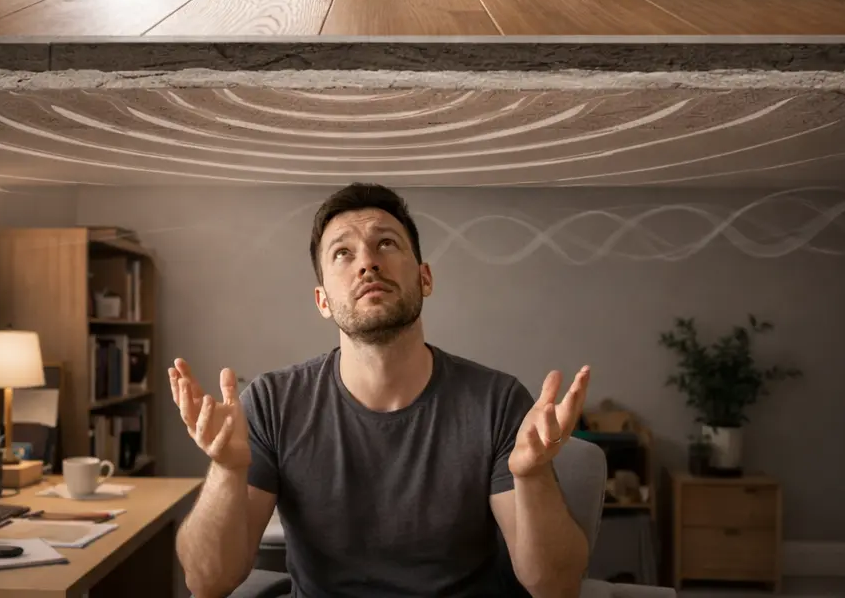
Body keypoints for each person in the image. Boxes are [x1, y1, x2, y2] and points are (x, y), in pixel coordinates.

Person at [170, 182, 592, 598]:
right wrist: (226, 470)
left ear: (425, 278)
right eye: (343, 253)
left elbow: (555, 587)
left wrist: (533, 475)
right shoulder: (270, 404)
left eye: (386, 244)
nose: (367, 263)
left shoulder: (497, 402)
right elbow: (207, 581)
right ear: (322, 301)